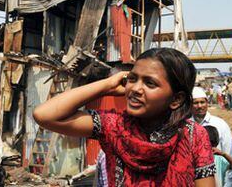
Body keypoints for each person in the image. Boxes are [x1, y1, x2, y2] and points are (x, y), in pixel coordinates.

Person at [33, 48, 215, 186]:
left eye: (150, 83)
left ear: (176, 99)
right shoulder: (114, 126)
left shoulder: (194, 136)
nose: (135, 89)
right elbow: (45, 115)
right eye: (133, 79)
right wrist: (107, 86)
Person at [192, 87, 232, 186]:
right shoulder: (185, 125)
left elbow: (229, 153)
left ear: (207, 103)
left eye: (202, 102)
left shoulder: (220, 124)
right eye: (195, 103)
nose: (199, 106)